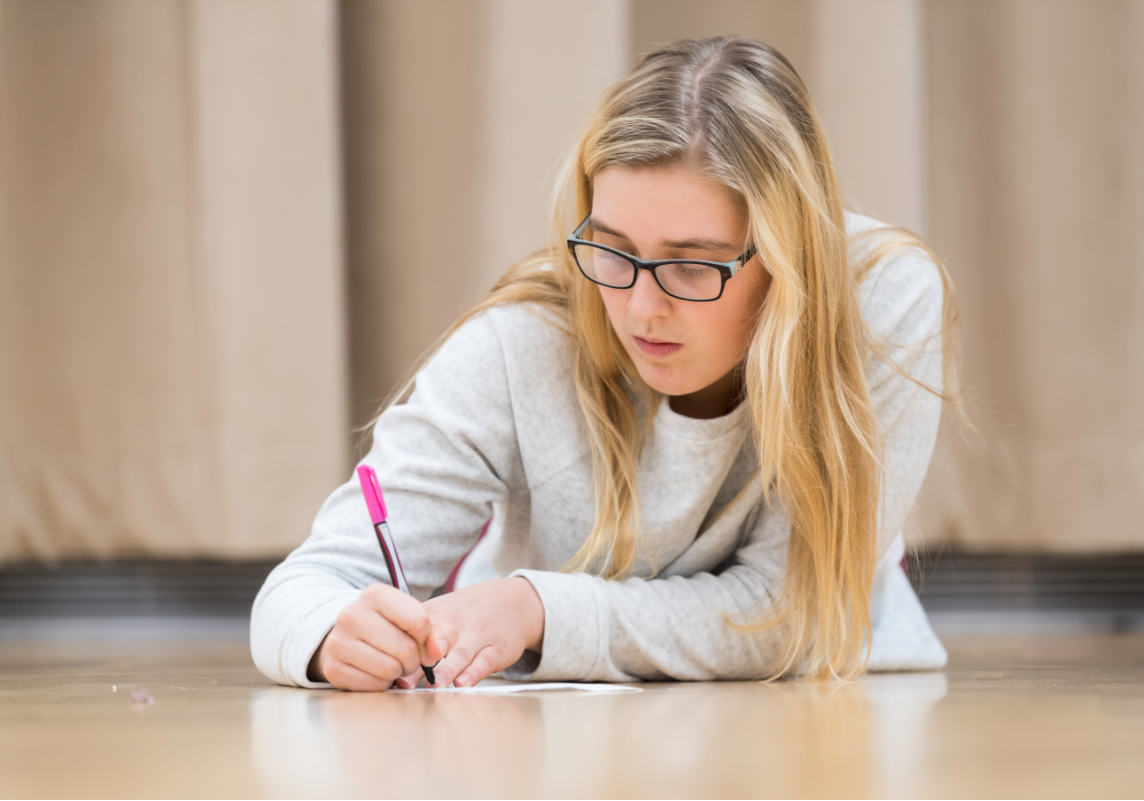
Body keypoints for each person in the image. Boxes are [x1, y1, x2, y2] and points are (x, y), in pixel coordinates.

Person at [251, 36, 959, 691]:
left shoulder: (882, 301)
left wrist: (539, 609)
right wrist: (330, 636)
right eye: (613, 248)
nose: (641, 308)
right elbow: (305, 586)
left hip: (822, 709)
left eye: (690, 265)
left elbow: (787, 612)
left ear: (787, 257)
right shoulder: (526, 337)